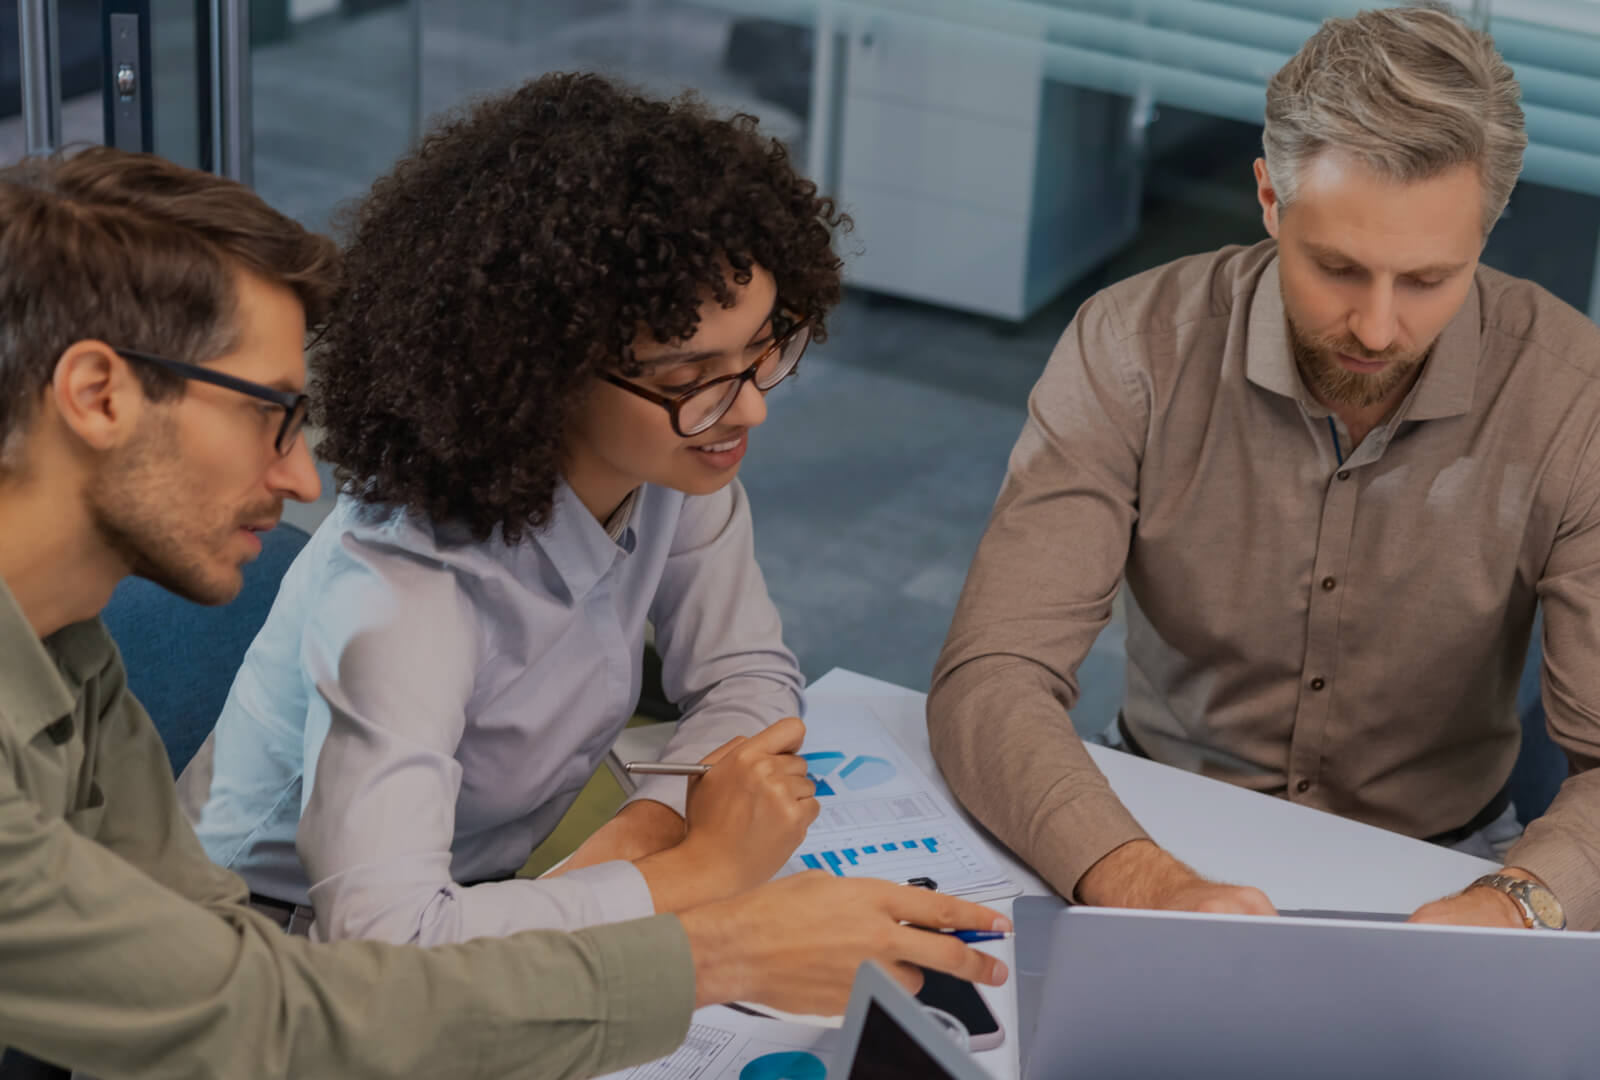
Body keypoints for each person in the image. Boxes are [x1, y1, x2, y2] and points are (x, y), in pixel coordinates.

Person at [0, 144, 1008, 1079]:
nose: (307, 479)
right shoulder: (396, 588)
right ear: (96, 394)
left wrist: (663, 870)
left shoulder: (69, 657)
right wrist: (708, 933)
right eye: (270, 415)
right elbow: (262, 1002)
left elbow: (218, 956)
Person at [929, 3, 1600, 933]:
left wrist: (1515, 906)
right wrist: (1136, 877)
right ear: (1269, 200)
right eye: (1337, 268)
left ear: (1485, 236)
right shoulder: (1132, 347)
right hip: (1147, 821)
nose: (1376, 327)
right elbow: (994, 672)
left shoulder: (1574, 396)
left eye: (1426, 281)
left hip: (1448, 863)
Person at [182, 72, 860, 945]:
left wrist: (645, 831)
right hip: (269, 960)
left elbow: (750, 677)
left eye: (765, 351)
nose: (750, 407)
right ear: (545, 371)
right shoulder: (406, 588)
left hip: (480, 900)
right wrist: (693, 871)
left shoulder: (672, 462)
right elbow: (381, 938)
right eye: (689, 378)